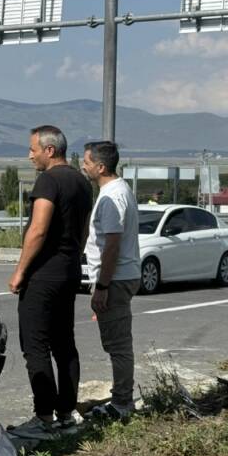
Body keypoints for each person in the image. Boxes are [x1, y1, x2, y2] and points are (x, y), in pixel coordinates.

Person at [8, 126, 93, 434]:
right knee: (64, 344)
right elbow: (84, 231)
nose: (30, 155)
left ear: (50, 150)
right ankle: (67, 412)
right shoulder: (82, 182)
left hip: (44, 274)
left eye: (33, 149)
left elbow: (38, 229)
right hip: (69, 270)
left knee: (35, 345)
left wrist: (20, 271)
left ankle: (44, 417)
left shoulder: (49, 180)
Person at [81, 141, 140, 421]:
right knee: (117, 343)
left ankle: (121, 404)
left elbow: (112, 245)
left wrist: (102, 287)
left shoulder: (111, 197)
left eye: (87, 161)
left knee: (118, 345)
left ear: (101, 167)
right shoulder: (117, 190)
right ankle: (122, 399)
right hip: (118, 278)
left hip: (114, 280)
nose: (83, 165)